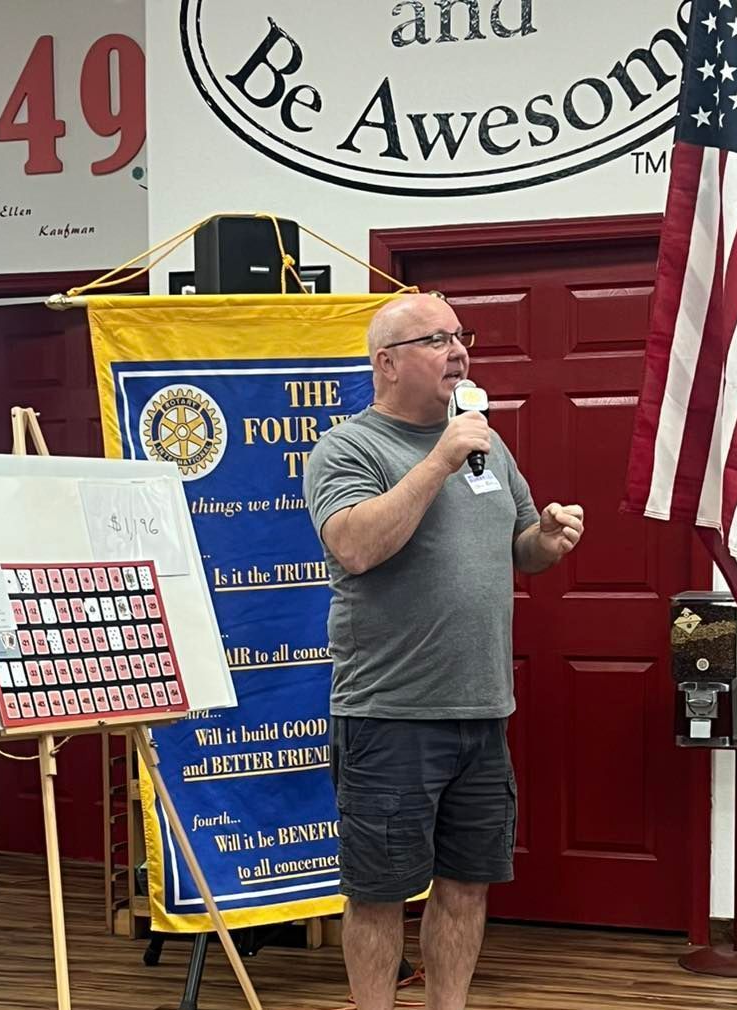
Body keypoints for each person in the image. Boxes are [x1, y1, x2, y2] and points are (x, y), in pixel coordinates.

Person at [303, 293, 584, 1010]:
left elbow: (519, 541)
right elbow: (356, 546)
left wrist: (545, 541)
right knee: (377, 894)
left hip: (482, 710)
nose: (459, 351)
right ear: (387, 364)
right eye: (437, 340)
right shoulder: (348, 448)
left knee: (465, 885)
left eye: (462, 336)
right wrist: (438, 461)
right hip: (390, 715)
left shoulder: (485, 442)